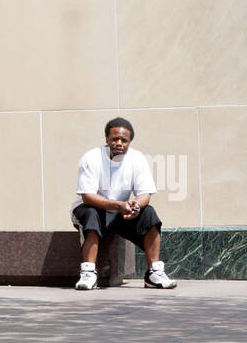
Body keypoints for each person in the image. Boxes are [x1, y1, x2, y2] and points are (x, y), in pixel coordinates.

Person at [72, 117, 177, 290]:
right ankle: (89, 273)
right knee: (90, 212)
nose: (119, 143)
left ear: (129, 142)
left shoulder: (137, 159)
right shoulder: (91, 158)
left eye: (124, 140)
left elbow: (145, 194)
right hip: (92, 210)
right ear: (106, 139)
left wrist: (135, 206)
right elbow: (87, 197)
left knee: (149, 213)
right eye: (114, 139)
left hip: (121, 211)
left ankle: (153, 273)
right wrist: (118, 205)